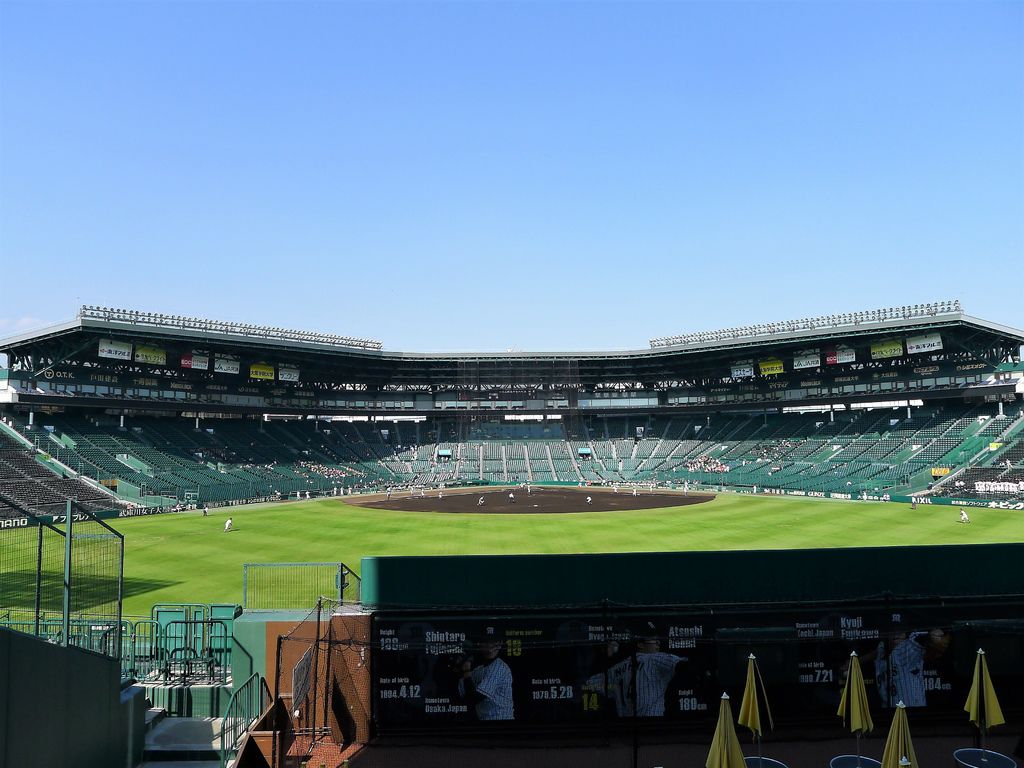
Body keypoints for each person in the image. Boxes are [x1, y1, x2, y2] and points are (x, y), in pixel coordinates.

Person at [585, 623, 685, 717]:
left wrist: (607, 656)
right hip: (652, 725)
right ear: (640, 644)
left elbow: (589, 682)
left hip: (626, 727)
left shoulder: (616, 669)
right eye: (653, 639)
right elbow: (684, 666)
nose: (658, 642)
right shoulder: (654, 659)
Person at [457, 637, 515, 720]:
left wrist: (466, 670)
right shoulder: (479, 670)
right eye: (486, 643)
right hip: (485, 721)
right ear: (479, 645)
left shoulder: (499, 667)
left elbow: (474, 698)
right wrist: (463, 664)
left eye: (493, 643)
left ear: (499, 644)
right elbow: (464, 696)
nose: (490, 647)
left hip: (501, 721)